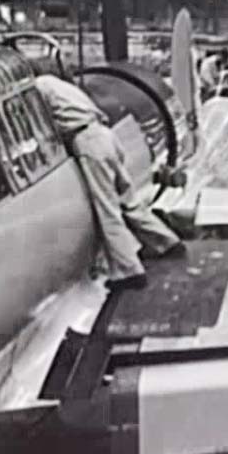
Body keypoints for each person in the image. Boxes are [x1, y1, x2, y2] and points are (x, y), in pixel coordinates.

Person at [35, 74, 185, 292]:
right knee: (128, 199)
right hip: (107, 135)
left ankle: (129, 271)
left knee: (107, 209)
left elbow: (43, 127)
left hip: (87, 142)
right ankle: (167, 242)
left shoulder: (38, 88)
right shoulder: (54, 82)